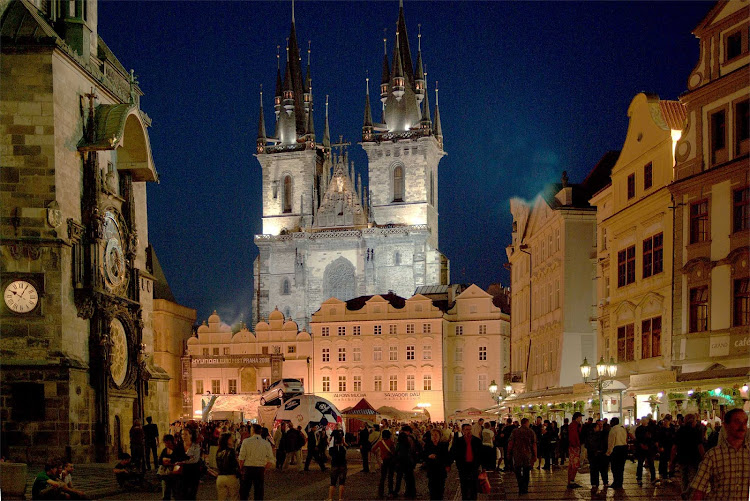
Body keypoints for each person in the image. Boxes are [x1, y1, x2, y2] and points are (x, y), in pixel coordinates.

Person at [689, 408, 748, 500]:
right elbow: (699, 489)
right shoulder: (713, 455)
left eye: (744, 422)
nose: (742, 426)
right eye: (737, 422)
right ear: (725, 426)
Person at [238, 423, 275, 501]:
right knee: (259, 491)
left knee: (244, 491)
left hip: (248, 468)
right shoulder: (266, 443)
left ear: (252, 430)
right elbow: (271, 460)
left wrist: (240, 468)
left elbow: (242, 457)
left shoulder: (246, 442)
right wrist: (264, 469)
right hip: (260, 468)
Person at [672, 413, 704, 499]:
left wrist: (671, 460)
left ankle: (684, 492)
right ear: (693, 421)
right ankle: (687, 493)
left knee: (684, 478)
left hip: (682, 458)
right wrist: (703, 457)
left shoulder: (679, 431)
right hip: (693, 458)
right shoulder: (696, 431)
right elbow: (699, 445)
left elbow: (674, 447)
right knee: (693, 478)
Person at [450, 423, 482, 500]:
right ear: (463, 431)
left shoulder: (477, 441)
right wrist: (449, 464)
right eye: (467, 429)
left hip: (473, 466)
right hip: (463, 466)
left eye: (470, 429)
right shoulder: (458, 441)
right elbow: (453, 452)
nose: (469, 431)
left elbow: (481, 454)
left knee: (473, 485)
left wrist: (481, 466)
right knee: (464, 486)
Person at [508, 418, 537, 496]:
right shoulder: (531, 431)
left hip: (517, 454)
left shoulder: (515, 431)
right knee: (526, 471)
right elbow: (534, 445)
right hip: (527, 454)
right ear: (527, 423)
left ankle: (520, 486)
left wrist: (508, 453)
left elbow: (510, 443)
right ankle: (525, 488)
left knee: (517, 470)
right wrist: (535, 455)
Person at [423, 429, 451, 500]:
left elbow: (446, 457)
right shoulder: (428, 445)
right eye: (432, 435)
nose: (434, 437)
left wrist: (437, 457)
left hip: (440, 470)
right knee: (432, 489)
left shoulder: (444, 445)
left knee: (440, 490)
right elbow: (423, 455)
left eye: (436, 435)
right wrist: (428, 456)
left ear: (439, 436)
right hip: (431, 471)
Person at [175, 426, 202, 500]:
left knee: (191, 493)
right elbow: (176, 457)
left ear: (190, 435)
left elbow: (195, 459)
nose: (184, 436)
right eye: (182, 434)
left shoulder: (195, 446)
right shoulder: (179, 446)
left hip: (193, 471)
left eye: (186, 434)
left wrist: (182, 461)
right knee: (181, 493)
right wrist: (187, 458)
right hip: (182, 472)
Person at [585, 419, 608, 491]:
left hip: (598, 454)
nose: (600, 426)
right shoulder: (593, 434)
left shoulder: (602, 433)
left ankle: (599, 482)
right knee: (597, 469)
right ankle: (597, 483)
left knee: (600, 469)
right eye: (598, 425)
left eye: (601, 425)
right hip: (595, 454)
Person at [216, 432, 240, 501]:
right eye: (231, 438)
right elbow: (234, 464)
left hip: (220, 477)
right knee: (233, 497)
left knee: (221, 498)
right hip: (231, 476)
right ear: (227, 440)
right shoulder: (231, 451)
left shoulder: (219, 451)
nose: (233, 439)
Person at [373, 429, 396, 498]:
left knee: (383, 477)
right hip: (391, 461)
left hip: (384, 461)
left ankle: (380, 492)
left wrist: (379, 455)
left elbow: (373, 449)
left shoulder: (380, 442)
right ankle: (390, 492)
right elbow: (394, 451)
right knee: (390, 477)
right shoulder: (391, 442)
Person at [606, 417, 628, 489]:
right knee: (621, 467)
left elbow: (611, 442)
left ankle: (616, 482)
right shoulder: (623, 429)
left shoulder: (613, 430)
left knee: (615, 467)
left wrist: (609, 452)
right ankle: (620, 482)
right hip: (624, 448)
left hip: (616, 449)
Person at [394, 427, 416, 499]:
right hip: (408, 462)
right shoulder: (408, 443)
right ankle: (410, 491)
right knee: (409, 478)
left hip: (400, 463)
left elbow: (396, 452)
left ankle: (396, 491)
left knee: (399, 478)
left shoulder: (399, 444)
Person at [635, 416, 657, 485]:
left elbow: (653, 438)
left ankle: (653, 478)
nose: (644, 421)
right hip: (641, 449)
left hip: (649, 448)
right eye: (643, 420)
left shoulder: (651, 429)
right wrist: (641, 445)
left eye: (645, 420)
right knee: (640, 463)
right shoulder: (639, 429)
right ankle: (639, 478)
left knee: (651, 463)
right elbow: (638, 438)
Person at [157, 434, 178, 500]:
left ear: (172, 442)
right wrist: (165, 461)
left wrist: (168, 461)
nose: (166, 444)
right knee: (166, 492)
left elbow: (177, 460)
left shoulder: (176, 450)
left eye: (168, 442)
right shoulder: (164, 450)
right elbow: (160, 461)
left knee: (176, 492)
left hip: (174, 473)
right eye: (165, 442)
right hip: (165, 474)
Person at [327, 434, 348, 501]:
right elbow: (347, 446)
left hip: (334, 465)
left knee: (332, 483)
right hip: (342, 466)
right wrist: (344, 442)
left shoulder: (332, 449)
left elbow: (330, 453)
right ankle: (340, 498)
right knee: (341, 483)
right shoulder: (343, 449)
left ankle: (330, 498)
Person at [566, 412, 583, 489]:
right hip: (574, 447)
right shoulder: (574, 425)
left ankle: (570, 481)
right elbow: (574, 436)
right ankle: (571, 481)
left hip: (572, 446)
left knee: (572, 464)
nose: (581, 419)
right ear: (577, 417)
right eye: (580, 417)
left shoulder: (573, 425)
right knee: (575, 464)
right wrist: (576, 444)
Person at [657, 414, 675, 482]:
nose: (665, 422)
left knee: (671, 460)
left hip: (670, 446)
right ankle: (664, 474)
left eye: (667, 421)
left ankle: (670, 474)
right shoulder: (661, 429)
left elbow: (673, 437)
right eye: (664, 421)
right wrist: (660, 446)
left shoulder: (672, 429)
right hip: (664, 446)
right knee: (664, 460)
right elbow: (660, 438)